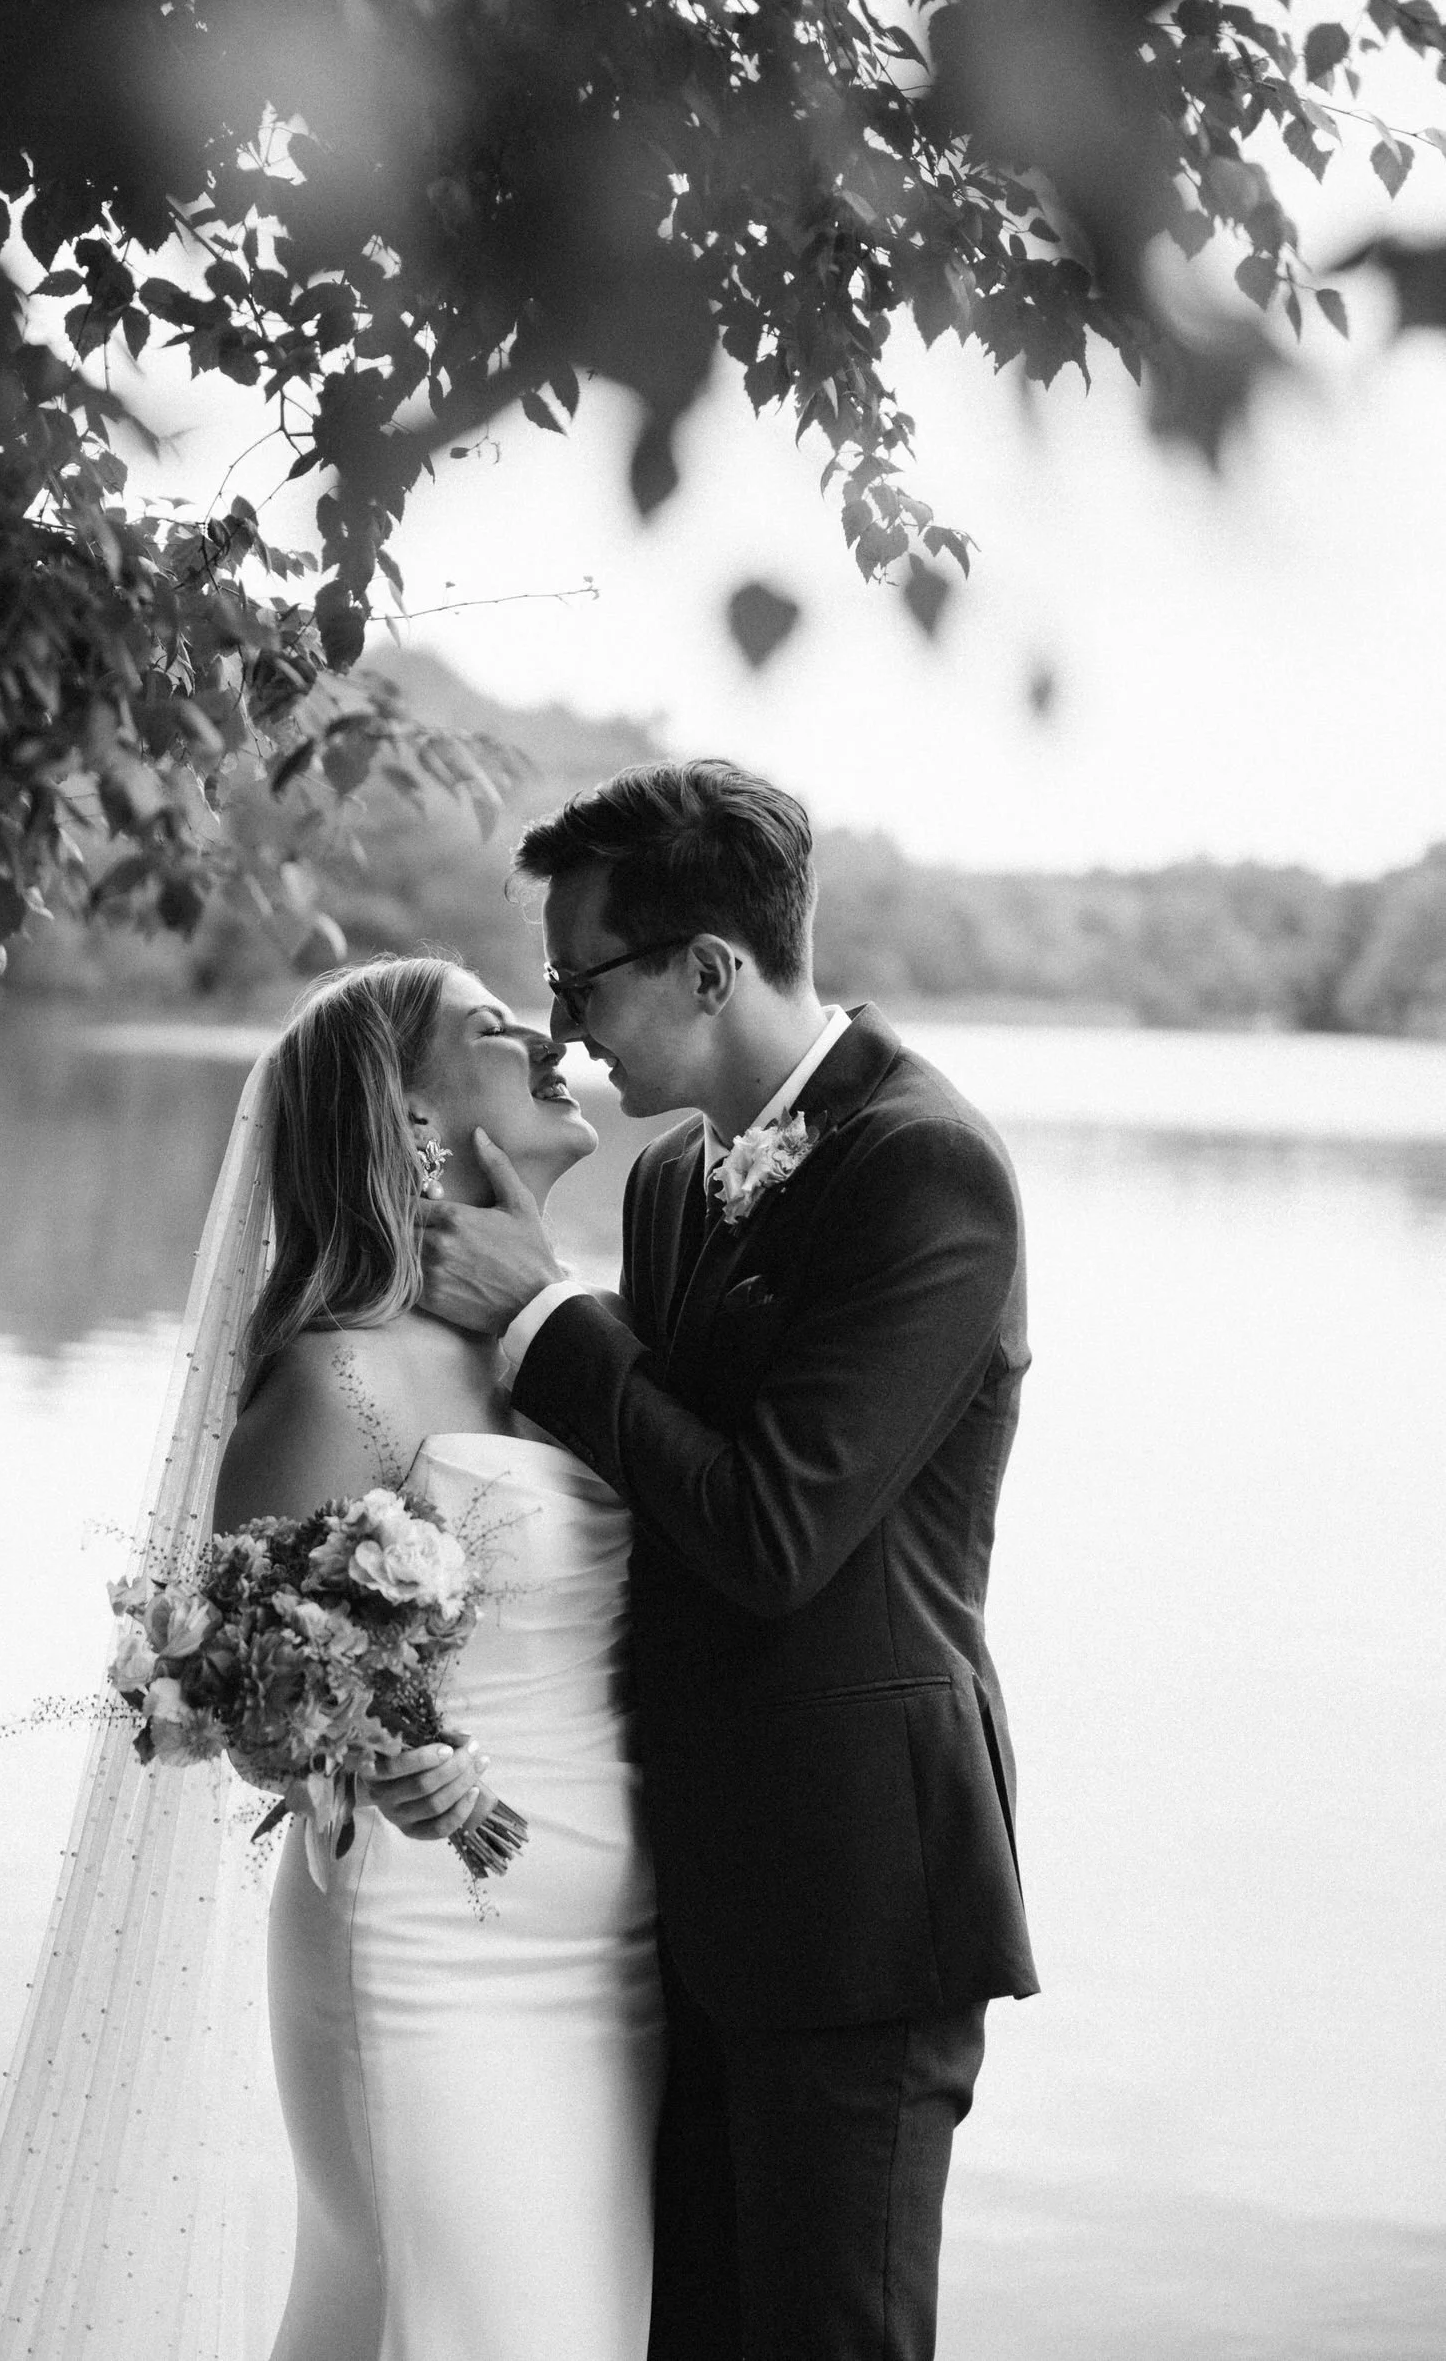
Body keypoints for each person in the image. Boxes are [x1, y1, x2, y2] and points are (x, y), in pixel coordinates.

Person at [415, 759, 1039, 2361]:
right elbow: (653, 1476)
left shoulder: (925, 1168)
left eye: (580, 977)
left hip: (852, 1904)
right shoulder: (682, 1178)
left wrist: (550, 1319)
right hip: (673, 1894)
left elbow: (769, 1532)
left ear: (708, 967)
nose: (560, 1025)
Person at [211, 957, 666, 2361]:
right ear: (404, 1117)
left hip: (615, 1954)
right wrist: (376, 1750)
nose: (545, 1036)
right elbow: (247, 1711)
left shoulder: (582, 1342)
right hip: (428, 1953)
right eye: (490, 1027)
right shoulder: (337, 1373)